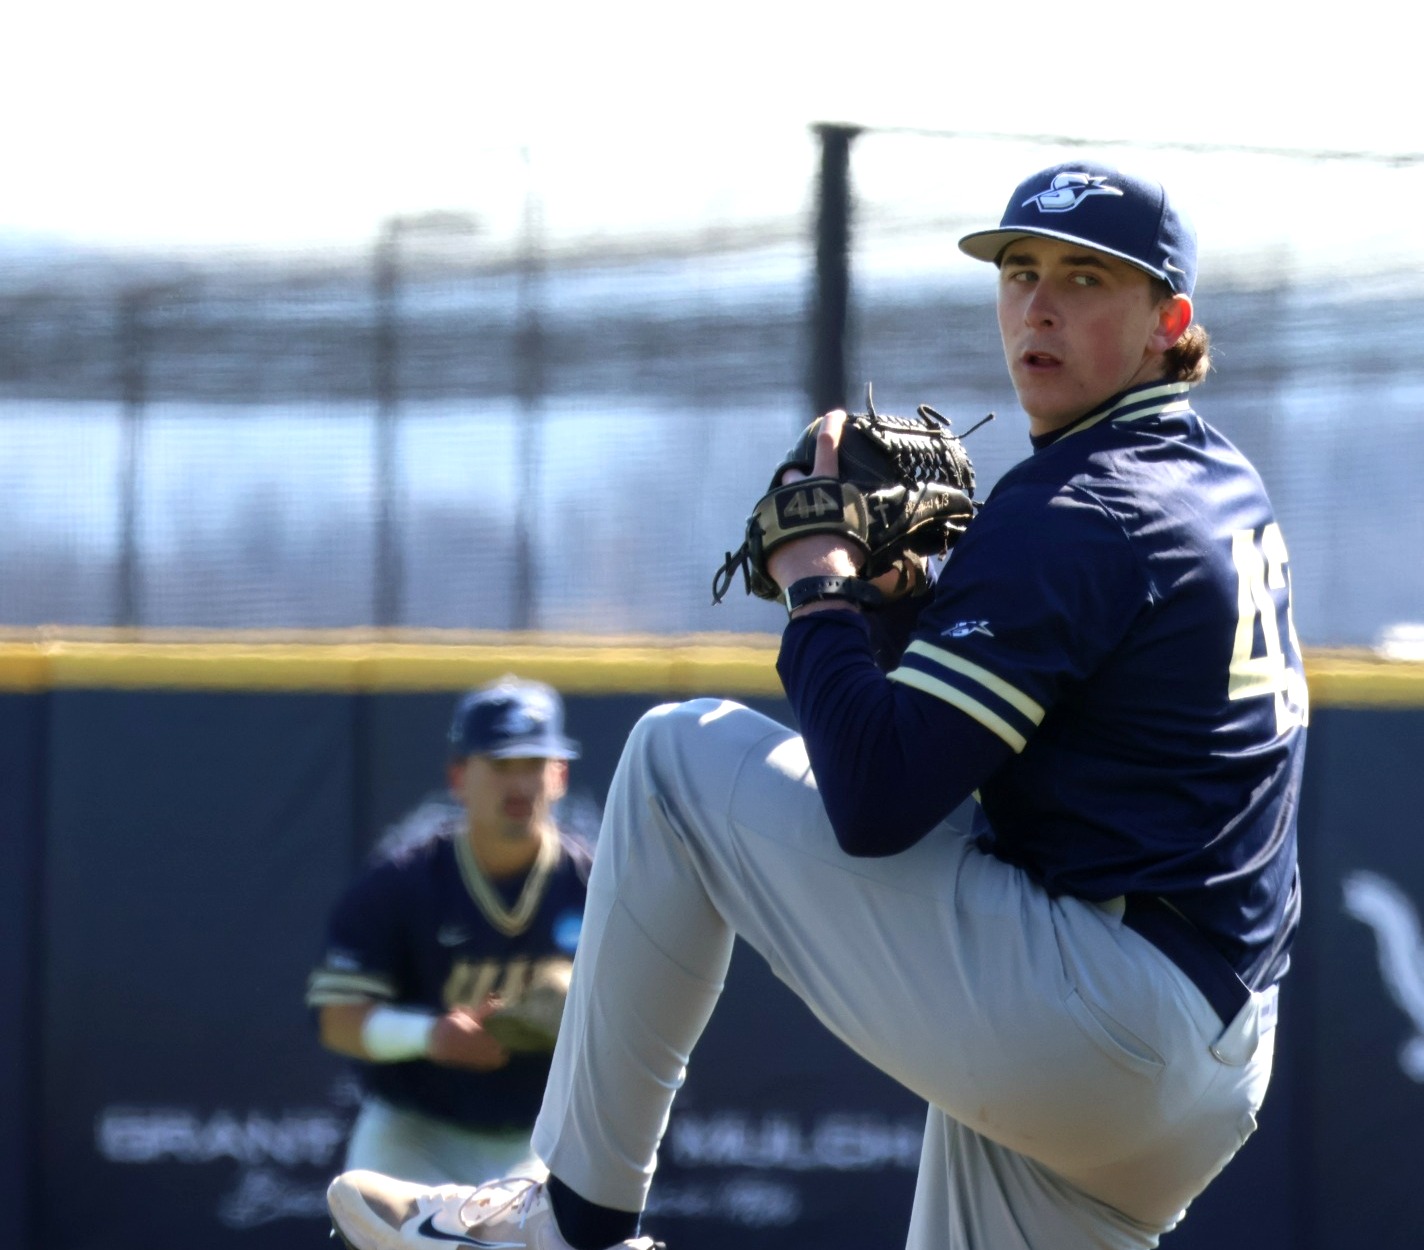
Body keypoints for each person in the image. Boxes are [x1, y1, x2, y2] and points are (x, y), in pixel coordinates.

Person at [327, 159, 1307, 1250]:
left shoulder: (1078, 506)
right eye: (1019, 270)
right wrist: (900, 605)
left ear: (1169, 320)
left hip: (1101, 1008)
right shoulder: (1208, 476)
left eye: (1085, 279)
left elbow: (880, 800)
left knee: (672, 760)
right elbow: (998, 732)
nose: (1037, 304)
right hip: (1201, 1054)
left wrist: (818, 587)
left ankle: (574, 1216)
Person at [309, 676, 594, 1187]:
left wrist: (580, 1012)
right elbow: (337, 1017)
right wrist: (432, 1036)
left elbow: (650, 1014)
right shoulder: (401, 883)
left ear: (560, 775)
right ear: (459, 776)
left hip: (544, 1140)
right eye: (501, 764)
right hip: (414, 1135)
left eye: (533, 764)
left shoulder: (596, 884)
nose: (519, 783)